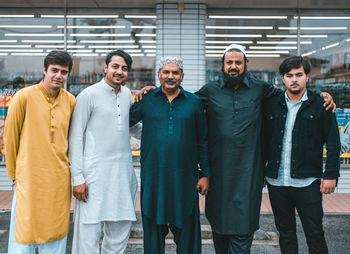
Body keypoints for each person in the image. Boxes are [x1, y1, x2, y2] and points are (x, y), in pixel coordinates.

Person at [137, 45, 335, 254]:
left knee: (246, 228)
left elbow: (291, 94)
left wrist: (320, 96)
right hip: (218, 172)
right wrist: (155, 92)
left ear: (245, 65)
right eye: (229, 62)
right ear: (223, 65)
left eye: (238, 63)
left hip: (249, 172)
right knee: (220, 228)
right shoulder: (210, 90)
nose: (233, 67)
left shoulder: (261, 88)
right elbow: (182, 102)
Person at [130, 57, 210, 254]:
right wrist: (134, 95)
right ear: (159, 76)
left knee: (188, 238)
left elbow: (203, 140)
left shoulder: (194, 102)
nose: (170, 76)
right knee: (153, 237)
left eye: (175, 73)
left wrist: (205, 174)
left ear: (182, 76)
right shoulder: (147, 100)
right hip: (154, 179)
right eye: (166, 72)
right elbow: (123, 119)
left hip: (185, 179)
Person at [262, 55, 340, 254]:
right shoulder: (272, 103)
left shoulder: (321, 105)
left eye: (299, 75)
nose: (294, 79)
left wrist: (331, 174)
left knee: (315, 232)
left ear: (307, 77)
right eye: (289, 75)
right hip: (277, 181)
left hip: (308, 181)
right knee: (285, 233)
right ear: (282, 78)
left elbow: (333, 141)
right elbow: (263, 140)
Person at [69, 49, 142, 254]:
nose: (119, 71)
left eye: (124, 68)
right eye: (115, 66)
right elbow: (75, 137)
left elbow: (131, 126)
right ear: (106, 68)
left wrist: (159, 129)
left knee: (120, 230)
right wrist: (77, 178)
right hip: (93, 175)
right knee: (88, 233)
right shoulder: (88, 95)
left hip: (122, 174)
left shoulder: (128, 95)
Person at [4, 50, 76, 254]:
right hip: (29, 178)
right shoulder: (23, 97)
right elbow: (10, 138)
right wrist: (13, 175)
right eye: (54, 70)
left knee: (55, 235)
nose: (58, 76)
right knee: (24, 234)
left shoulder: (71, 101)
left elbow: (73, 141)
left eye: (64, 72)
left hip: (58, 181)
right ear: (44, 70)